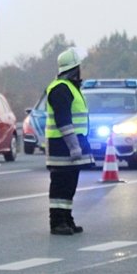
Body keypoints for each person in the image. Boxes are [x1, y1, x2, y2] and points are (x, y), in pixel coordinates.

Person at [45, 48, 93, 236]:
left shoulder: (69, 87)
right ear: (74, 68)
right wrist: (74, 146)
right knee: (60, 184)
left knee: (69, 184)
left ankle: (66, 218)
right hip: (62, 147)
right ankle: (57, 222)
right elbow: (63, 120)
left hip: (69, 145)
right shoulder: (60, 89)